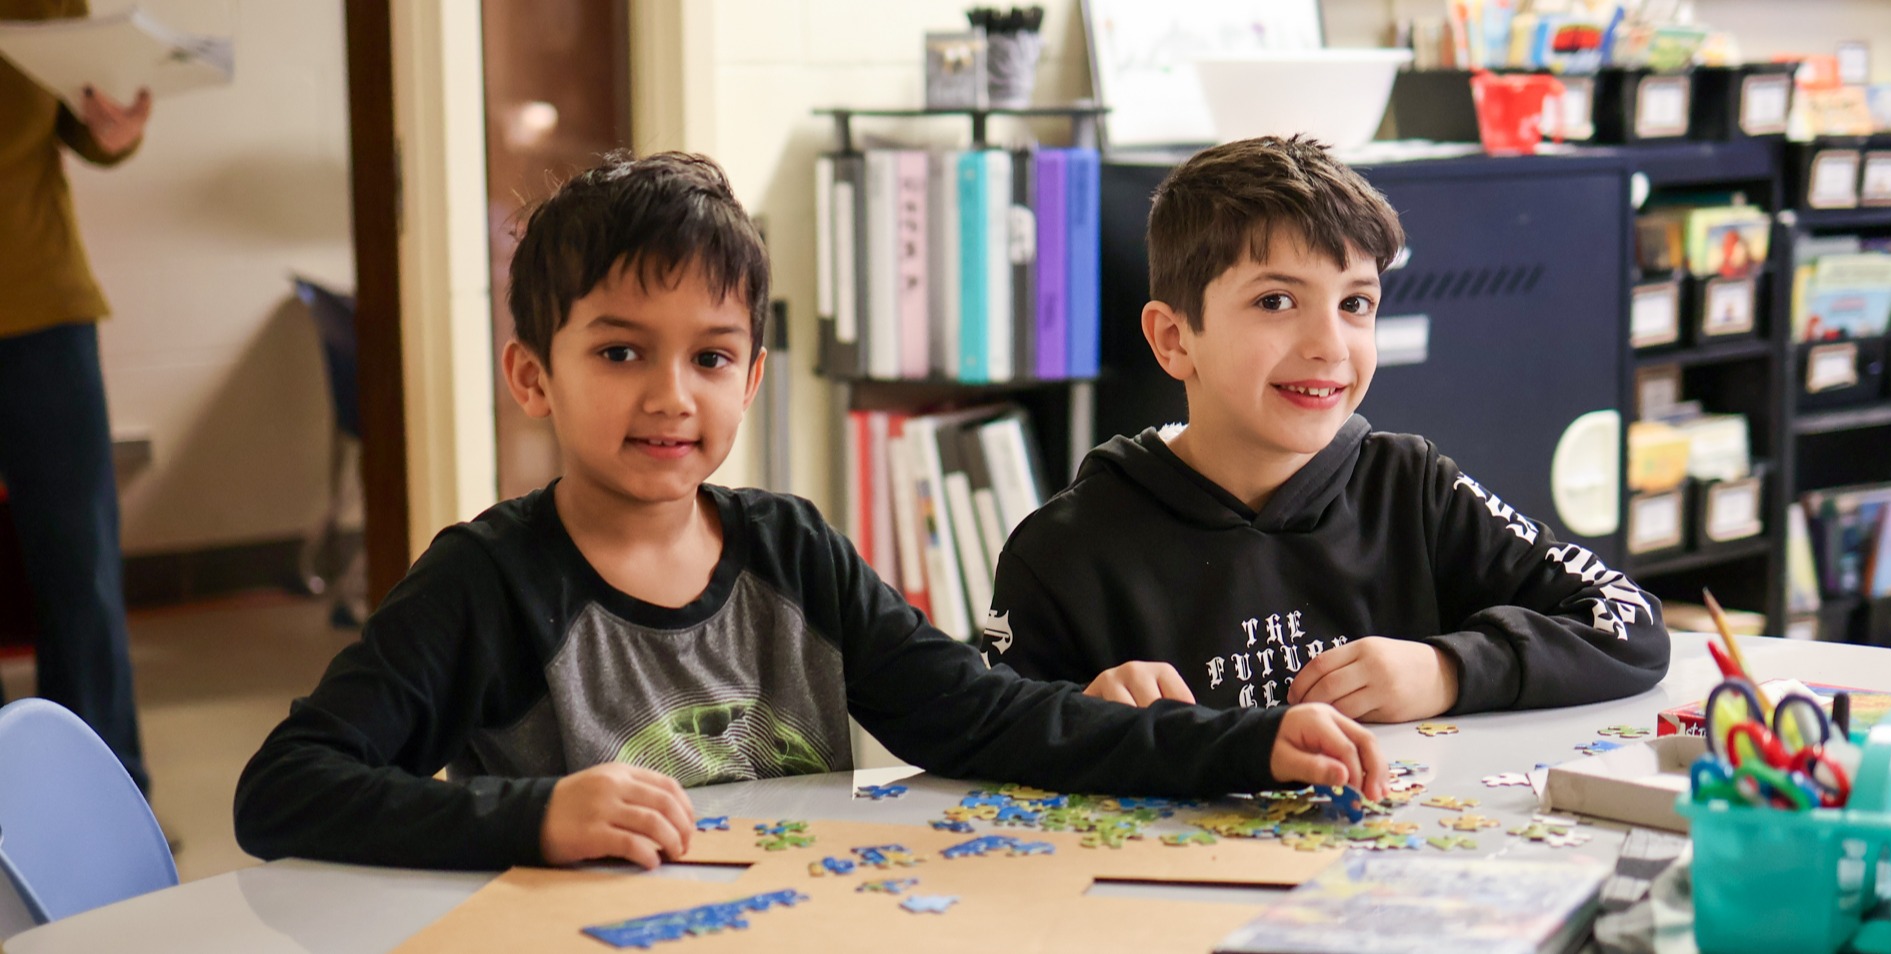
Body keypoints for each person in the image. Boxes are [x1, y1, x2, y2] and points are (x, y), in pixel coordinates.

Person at [233, 152, 1388, 871]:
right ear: (532, 375)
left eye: (712, 354)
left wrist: (1242, 743)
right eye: (620, 349)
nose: (669, 395)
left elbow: (980, 721)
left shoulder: (791, 550)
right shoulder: (483, 583)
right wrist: (529, 818)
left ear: (752, 376)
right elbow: (285, 788)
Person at [980, 135, 1669, 722]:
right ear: (1174, 339)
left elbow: (1627, 621)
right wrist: (1080, 719)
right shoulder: (1062, 551)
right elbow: (980, 729)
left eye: (1356, 303)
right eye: (1276, 300)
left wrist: (1447, 671)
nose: (1330, 345)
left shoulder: (1413, 490)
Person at [0, 0, 155, 795]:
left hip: (40, 308)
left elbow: (85, 118)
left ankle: (101, 802)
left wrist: (113, 127)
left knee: (79, 568)